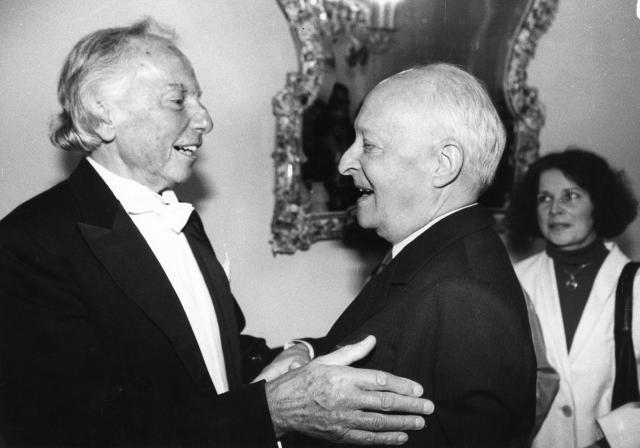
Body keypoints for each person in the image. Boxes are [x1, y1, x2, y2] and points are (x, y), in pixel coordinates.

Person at [0, 19, 436, 447]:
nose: (205, 120)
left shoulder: (180, 217)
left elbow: (203, 356)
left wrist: (292, 358)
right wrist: (272, 411)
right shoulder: (29, 244)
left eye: (200, 100)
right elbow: (76, 432)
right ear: (102, 116)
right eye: (178, 100)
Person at [298, 63, 538, 447]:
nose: (344, 163)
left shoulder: (464, 294)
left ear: (443, 164)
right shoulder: (431, 254)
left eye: (368, 145)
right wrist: (305, 351)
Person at [507, 148, 640, 448]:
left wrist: (615, 437)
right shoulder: (515, 279)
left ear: (599, 205)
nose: (555, 209)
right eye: (544, 198)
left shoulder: (636, 284)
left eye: (571, 195)